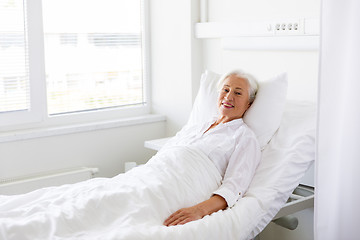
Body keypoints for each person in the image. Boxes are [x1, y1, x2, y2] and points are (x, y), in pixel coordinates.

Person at [163, 70, 261, 226]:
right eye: (226, 89)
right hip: (158, 175)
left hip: (182, 188)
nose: (229, 97)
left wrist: (198, 210)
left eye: (238, 93)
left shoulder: (245, 137)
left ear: (248, 104)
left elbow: (234, 186)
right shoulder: (197, 126)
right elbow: (166, 153)